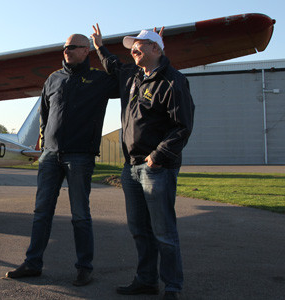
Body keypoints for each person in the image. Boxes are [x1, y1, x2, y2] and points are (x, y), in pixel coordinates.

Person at [5, 33, 118, 286]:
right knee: (41, 212)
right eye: (64, 47)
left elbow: (125, 76)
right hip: (50, 156)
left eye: (72, 47)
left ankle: (84, 268)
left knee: (80, 214)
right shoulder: (54, 78)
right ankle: (33, 263)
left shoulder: (100, 79)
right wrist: (46, 145)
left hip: (80, 156)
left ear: (85, 50)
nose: (66, 50)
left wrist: (103, 49)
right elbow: (44, 113)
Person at [91, 24, 195, 300]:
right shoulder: (131, 75)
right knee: (139, 229)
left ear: (155, 48)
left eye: (139, 45)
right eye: (132, 47)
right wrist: (100, 46)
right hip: (130, 168)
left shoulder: (173, 81)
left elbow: (182, 127)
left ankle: (172, 286)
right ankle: (146, 281)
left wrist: (157, 157)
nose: (133, 50)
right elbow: (112, 64)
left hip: (155, 168)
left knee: (163, 231)